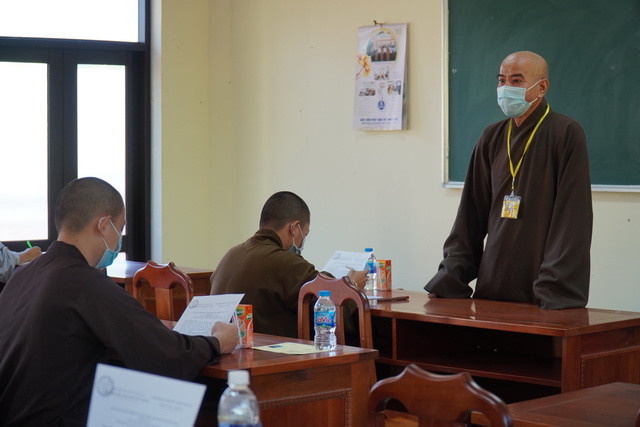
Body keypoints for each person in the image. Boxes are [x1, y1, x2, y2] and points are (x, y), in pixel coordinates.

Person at [0, 177, 239, 426]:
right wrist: (217, 342)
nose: (120, 239)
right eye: (120, 228)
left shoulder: (22, 275)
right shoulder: (84, 282)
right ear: (104, 225)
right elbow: (167, 355)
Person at [425, 51, 592, 309]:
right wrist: (451, 276)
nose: (505, 88)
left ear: (542, 87)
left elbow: (572, 219)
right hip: (493, 280)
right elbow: (470, 214)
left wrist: (554, 288)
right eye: (501, 80)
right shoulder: (492, 136)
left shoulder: (565, 133)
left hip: (545, 287)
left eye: (516, 81)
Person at [211, 191, 367, 338]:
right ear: (294, 228)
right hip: (268, 355)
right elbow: (329, 309)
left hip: (227, 351)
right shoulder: (284, 262)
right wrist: (352, 285)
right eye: (304, 235)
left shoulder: (231, 254)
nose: (301, 243)